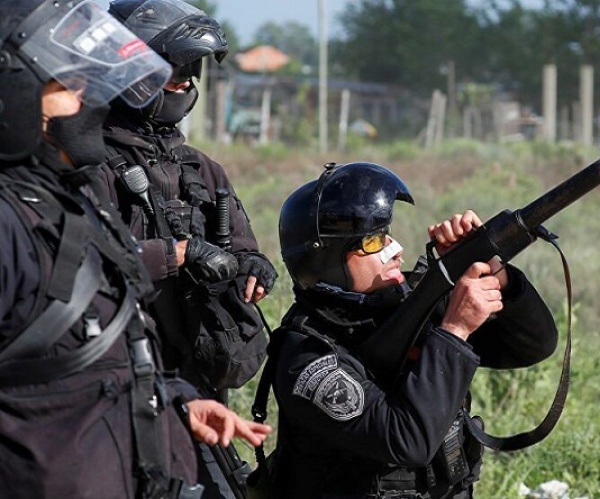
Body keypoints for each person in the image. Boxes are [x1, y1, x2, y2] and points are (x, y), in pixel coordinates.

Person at [0, 1, 270, 498]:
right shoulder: (17, 219)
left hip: (153, 423)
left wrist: (173, 403)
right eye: (70, 87)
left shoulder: (68, 197)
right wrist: (179, 253)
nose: (92, 102)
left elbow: (87, 364)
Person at [270, 162, 559, 498]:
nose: (396, 249)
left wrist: (496, 275)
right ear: (331, 260)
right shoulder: (307, 358)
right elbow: (406, 440)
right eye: (373, 241)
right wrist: (453, 330)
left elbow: (532, 345)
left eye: (387, 234)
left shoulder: (405, 303)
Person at [97, 0, 277, 401]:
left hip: (199, 375)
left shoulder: (204, 169)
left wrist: (253, 268)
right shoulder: (90, 165)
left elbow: (244, 247)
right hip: (122, 375)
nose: (185, 81)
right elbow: (88, 265)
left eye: (191, 71)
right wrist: (178, 253)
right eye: (174, 69)